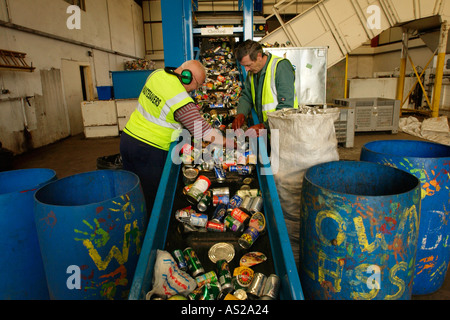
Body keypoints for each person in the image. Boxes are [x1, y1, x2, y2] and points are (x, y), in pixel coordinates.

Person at [120, 60, 230, 216]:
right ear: (187, 77)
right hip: (149, 149)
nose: (194, 91)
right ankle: (148, 234)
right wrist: (229, 141)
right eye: (196, 86)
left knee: (133, 191)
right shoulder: (179, 98)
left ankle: (131, 220)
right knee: (153, 198)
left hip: (128, 139)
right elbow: (204, 133)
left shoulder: (157, 74)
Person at [232, 40, 298, 135]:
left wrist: (264, 126)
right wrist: (241, 113)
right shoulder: (253, 72)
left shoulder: (280, 67)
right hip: (268, 132)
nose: (246, 69)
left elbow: (286, 107)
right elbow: (247, 96)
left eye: (248, 65)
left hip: (283, 132)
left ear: (259, 56)